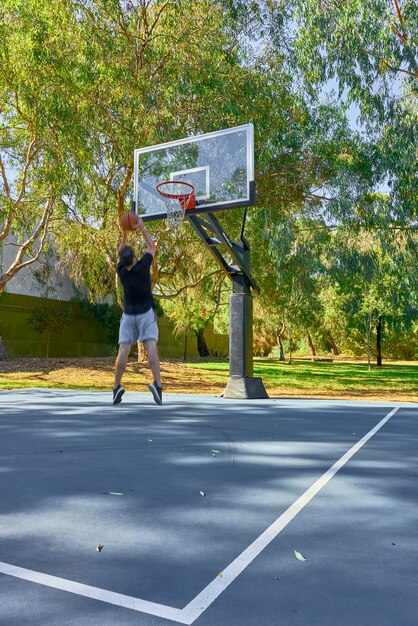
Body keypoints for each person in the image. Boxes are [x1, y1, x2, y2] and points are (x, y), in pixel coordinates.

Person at [113, 215, 162, 406]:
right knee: (150, 346)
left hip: (128, 315)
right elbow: (152, 246)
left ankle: (116, 386)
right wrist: (141, 228)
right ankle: (157, 385)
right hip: (145, 314)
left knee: (123, 349)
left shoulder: (122, 271)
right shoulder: (143, 267)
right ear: (134, 257)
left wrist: (124, 235)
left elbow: (119, 254)